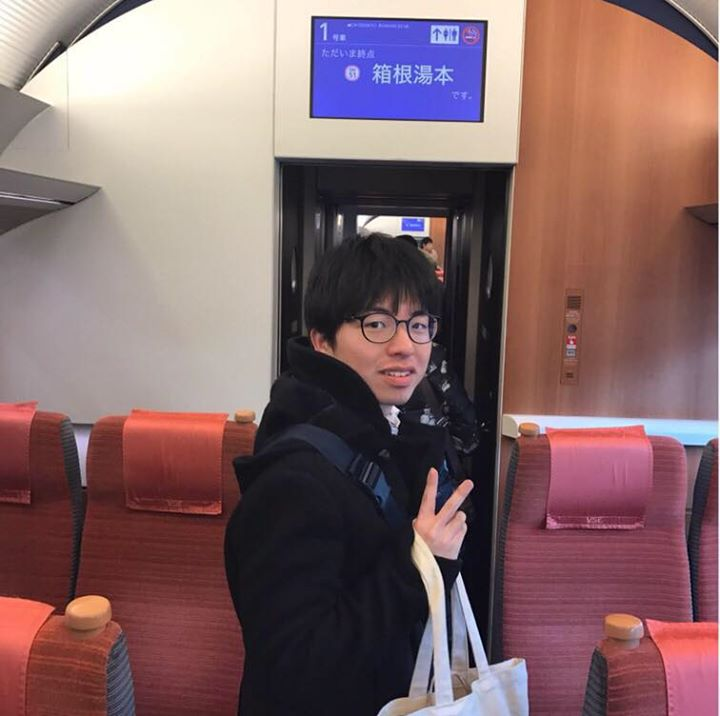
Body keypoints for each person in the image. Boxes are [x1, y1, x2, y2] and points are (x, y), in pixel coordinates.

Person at [225, 234, 473, 716]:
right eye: (377, 324)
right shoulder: (294, 480)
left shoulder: (384, 431)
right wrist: (417, 567)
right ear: (323, 341)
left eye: (419, 324)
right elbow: (292, 667)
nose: (405, 346)